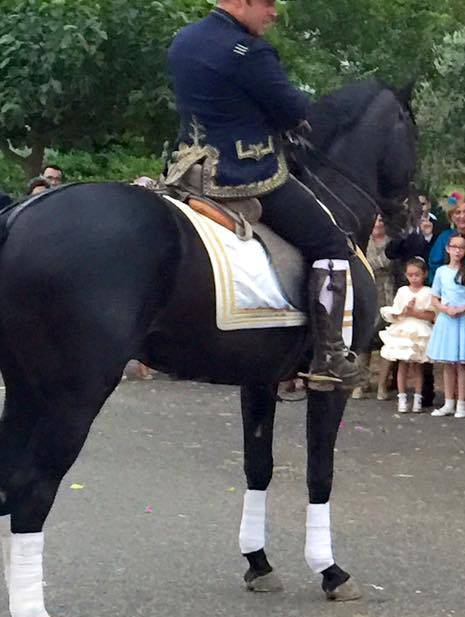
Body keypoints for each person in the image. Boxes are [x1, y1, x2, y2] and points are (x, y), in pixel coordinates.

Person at [167, 0, 359, 387]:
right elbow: (292, 110)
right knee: (331, 244)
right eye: (267, 4)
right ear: (241, 2)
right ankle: (329, 356)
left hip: (187, 171)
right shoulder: (251, 53)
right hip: (244, 175)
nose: (273, 13)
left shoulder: (183, 41)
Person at [426, 233, 465, 418]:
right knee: (448, 363)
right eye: (454, 247)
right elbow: (434, 297)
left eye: (461, 247)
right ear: (448, 248)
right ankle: (448, 402)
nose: (457, 251)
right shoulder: (442, 271)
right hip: (446, 319)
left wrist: (462, 308)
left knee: (463, 363)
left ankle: (462, 403)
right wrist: (445, 309)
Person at [380, 258, 435, 413]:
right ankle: (402, 397)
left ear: (424, 274)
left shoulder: (428, 292)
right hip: (404, 329)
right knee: (403, 364)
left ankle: (418, 397)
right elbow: (396, 313)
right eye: (410, 275)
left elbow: (432, 314)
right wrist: (405, 310)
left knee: (419, 365)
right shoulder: (402, 291)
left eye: (417, 274)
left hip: (420, 330)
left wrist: (415, 312)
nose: (414, 278)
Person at [355, 215, 395, 400]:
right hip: (367, 293)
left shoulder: (392, 242)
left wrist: (375, 263)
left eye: (381, 220)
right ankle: (360, 382)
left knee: (388, 341)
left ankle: (382, 384)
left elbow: (391, 263)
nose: (378, 223)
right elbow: (359, 264)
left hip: (389, 294)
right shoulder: (362, 241)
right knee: (364, 340)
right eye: (375, 220)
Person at [429, 199, 465, 283]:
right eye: (458, 212)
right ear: (451, 216)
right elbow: (434, 264)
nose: (462, 216)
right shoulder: (444, 237)